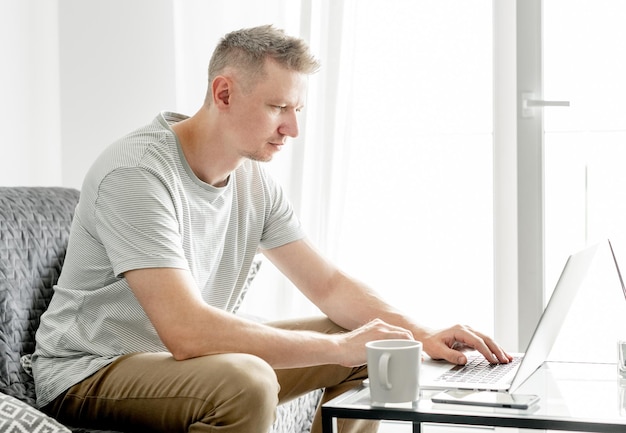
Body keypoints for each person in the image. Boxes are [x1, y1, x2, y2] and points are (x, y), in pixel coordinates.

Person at [33, 25, 511, 433]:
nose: (291, 130)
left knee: (375, 343)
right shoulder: (136, 173)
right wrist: (338, 348)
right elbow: (187, 332)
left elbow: (327, 285)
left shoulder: (253, 180)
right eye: (278, 107)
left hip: (182, 365)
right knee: (249, 379)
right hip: (91, 372)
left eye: (296, 111)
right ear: (224, 93)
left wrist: (420, 332)